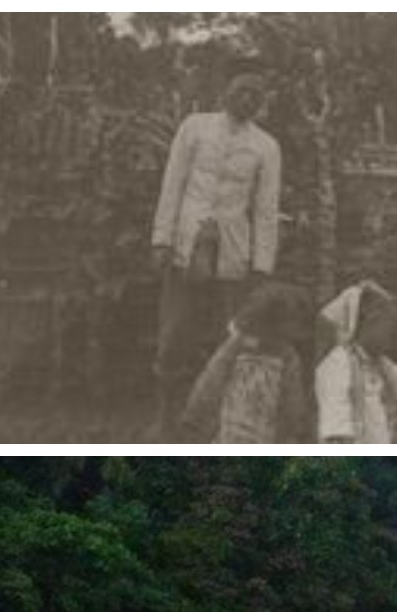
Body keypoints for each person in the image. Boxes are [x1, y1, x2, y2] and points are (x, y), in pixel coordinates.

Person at [150, 73, 283, 439]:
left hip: (233, 255)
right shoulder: (194, 128)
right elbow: (172, 184)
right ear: (224, 90)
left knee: (231, 336)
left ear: (261, 102)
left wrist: (260, 266)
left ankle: (222, 421)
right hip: (186, 247)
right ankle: (166, 418)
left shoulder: (266, 146)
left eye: (255, 94)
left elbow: (266, 210)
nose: (246, 99)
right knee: (174, 332)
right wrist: (161, 240)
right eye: (241, 89)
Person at [315, 281, 397, 443]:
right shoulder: (338, 363)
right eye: (389, 327)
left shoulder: (381, 365)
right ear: (369, 323)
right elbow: (335, 413)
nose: (395, 334)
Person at [180, 281, 310, 443]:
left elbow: (292, 396)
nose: (296, 330)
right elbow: (213, 378)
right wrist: (197, 414)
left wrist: (294, 426)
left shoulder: (286, 355)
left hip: (264, 430)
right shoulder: (237, 347)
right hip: (234, 427)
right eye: (292, 322)